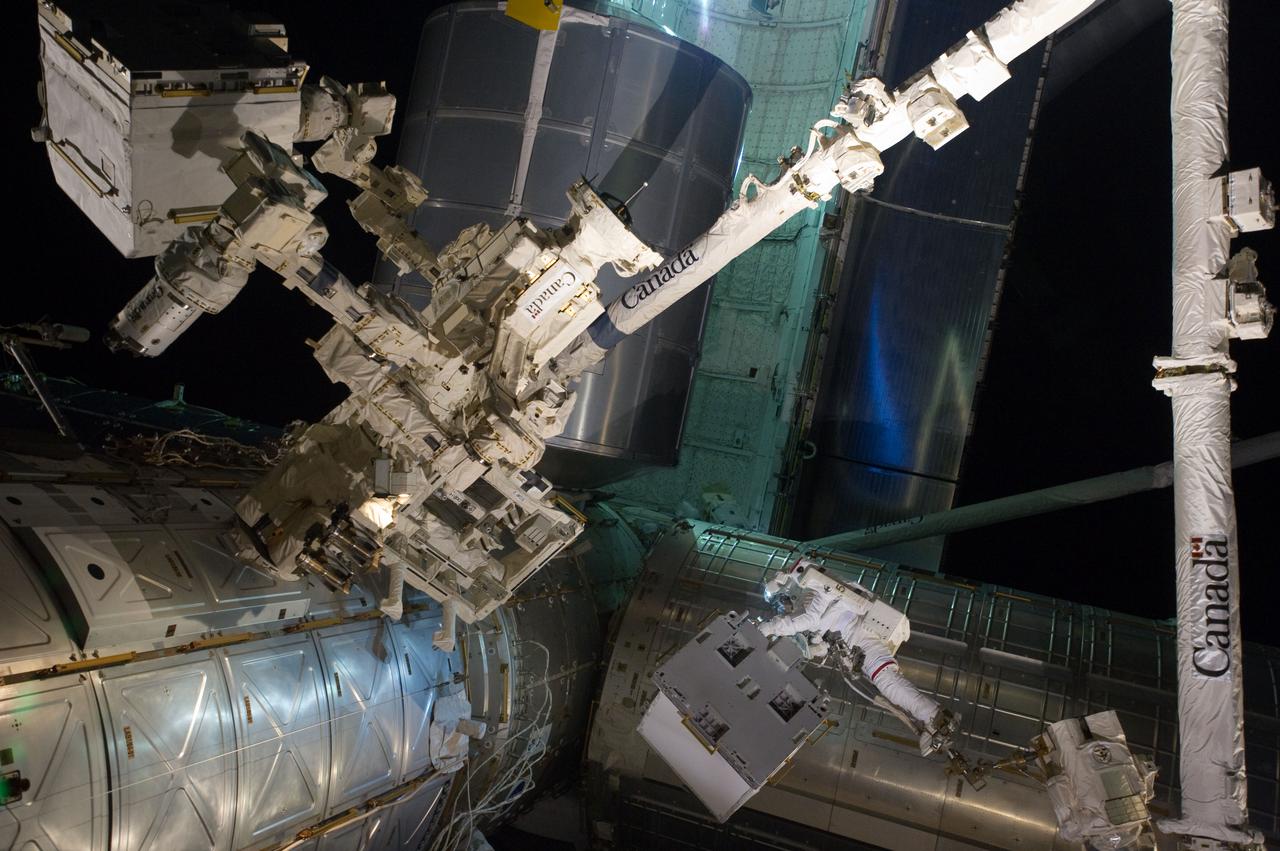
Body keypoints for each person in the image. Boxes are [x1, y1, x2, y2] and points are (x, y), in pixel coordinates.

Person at [760, 560, 957, 756]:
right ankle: (931, 720)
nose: (783, 607)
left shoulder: (811, 583)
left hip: (862, 633)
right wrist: (812, 650)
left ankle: (935, 717)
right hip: (854, 642)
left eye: (782, 601)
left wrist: (767, 628)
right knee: (884, 683)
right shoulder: (807, 603)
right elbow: (824, 636)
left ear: (786, 590)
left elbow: (809, 619)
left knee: (885, 680)